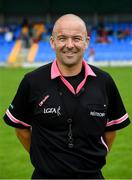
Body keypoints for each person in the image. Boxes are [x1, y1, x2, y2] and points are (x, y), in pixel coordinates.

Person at [3, 14, 130, 179]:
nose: (69, 45)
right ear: (52, 42)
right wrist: (45, 159)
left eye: (77, 38)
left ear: (87, 42)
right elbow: (20, 128)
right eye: (62, 38)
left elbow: (111, 130)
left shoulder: (104, 81)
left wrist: (93, 159)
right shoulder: (32, 81)